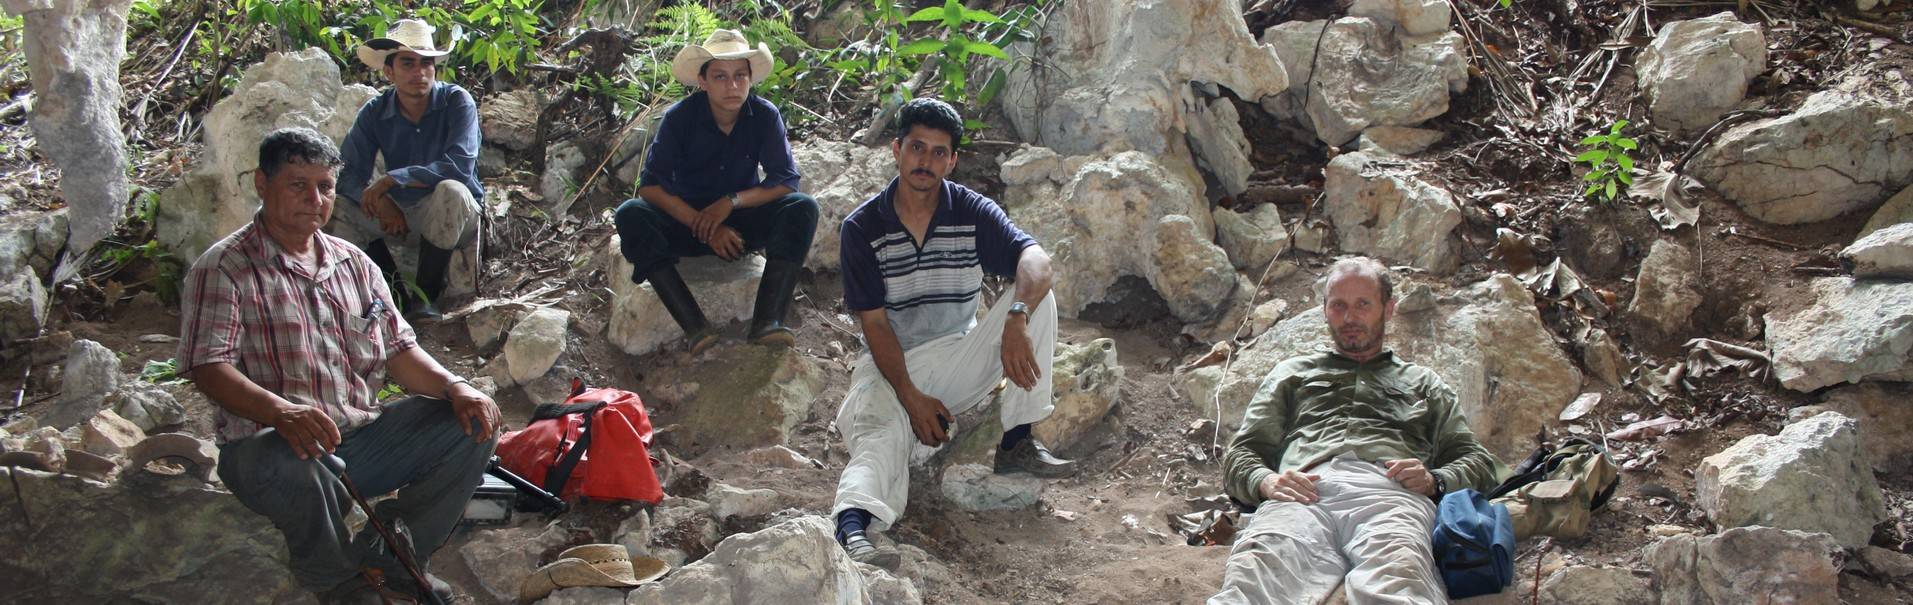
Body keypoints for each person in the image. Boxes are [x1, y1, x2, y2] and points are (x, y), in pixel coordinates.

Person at [179, 128, 499, 604]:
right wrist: (281, 412)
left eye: (325, 187)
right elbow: (208, 366)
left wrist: (457, 387)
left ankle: (395, 559)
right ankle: (338, 582)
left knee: (471, 422)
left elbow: (399, 351)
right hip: (270, 450)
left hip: (359, 442)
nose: (315, 199)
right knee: (298, 464)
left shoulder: (355, 264)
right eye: (298, 185)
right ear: (263, 184)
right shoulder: (224, 267)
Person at [829, 98, 1077, 565]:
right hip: (890, 366)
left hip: (959, 358)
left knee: (1036, 299)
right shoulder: (862, 228)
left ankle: (1017, 441)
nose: (925, 161)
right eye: (916, 148)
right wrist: (910, 396)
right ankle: (852, 528)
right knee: (882, 435)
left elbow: (1037, 260)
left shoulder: (970, 211)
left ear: (952, 160)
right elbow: (875, 325)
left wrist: (1016, 317)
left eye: (938, 152)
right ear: (897, 150)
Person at [1210, 257, 1506, 605]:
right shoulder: (1291, 374)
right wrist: (1266, 481)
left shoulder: (1424, 383)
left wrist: (1434, 481)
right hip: (1302, 494)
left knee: (1399, 585)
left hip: (1390, 497)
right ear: (1324, 310)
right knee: (1253, 579)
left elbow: (1477, 461)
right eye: (1338, 305)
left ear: (1388, 308)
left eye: (1363, 304)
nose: (1350, 318)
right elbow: (1242, 453)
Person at [613, 29, 819, 352]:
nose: (732, 86)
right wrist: (706, 226)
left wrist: (730, 202)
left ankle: (768, 322)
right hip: (683, 223)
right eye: (720, 77)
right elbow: (650, 187)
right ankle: (696, 328)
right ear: (703, 82)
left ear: (750, 79)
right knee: (630, 214)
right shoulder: (679, 119)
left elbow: (785, 180)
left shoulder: (765, 115)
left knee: (802, 207)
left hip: (739, 226)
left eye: (740, 76)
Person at [333, 18, 484, 320]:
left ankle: (425, 298)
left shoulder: (457, 101)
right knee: (337, 208)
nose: (420, 72)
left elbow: (459, 167)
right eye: (408, 63)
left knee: (451, 191)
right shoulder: (374, 112)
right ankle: (393, 295)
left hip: (456, 217)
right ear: (389, 72)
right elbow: (346, 174)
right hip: (400, 216)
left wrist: (392, 180)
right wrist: (380, 200)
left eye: (426, 63)